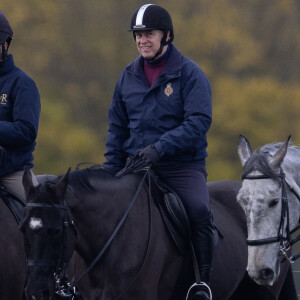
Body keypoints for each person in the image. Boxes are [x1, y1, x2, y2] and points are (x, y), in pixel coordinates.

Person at [103, 4, 213, 299]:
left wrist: (161, 148)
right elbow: (117, 129)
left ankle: (203, 283)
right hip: (137, 167)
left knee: (200, 210)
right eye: (138, 35)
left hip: (181, 167)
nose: (142, 40)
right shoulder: (126, 77)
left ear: (166, 36)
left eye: (148, 34)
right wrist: (111, 172)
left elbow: (198, 122)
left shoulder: (190, 74)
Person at [0, 11, 40, 201]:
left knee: (39, 216)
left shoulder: (22, 83)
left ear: (4, 45)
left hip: (11, 173)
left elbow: (26, 131)